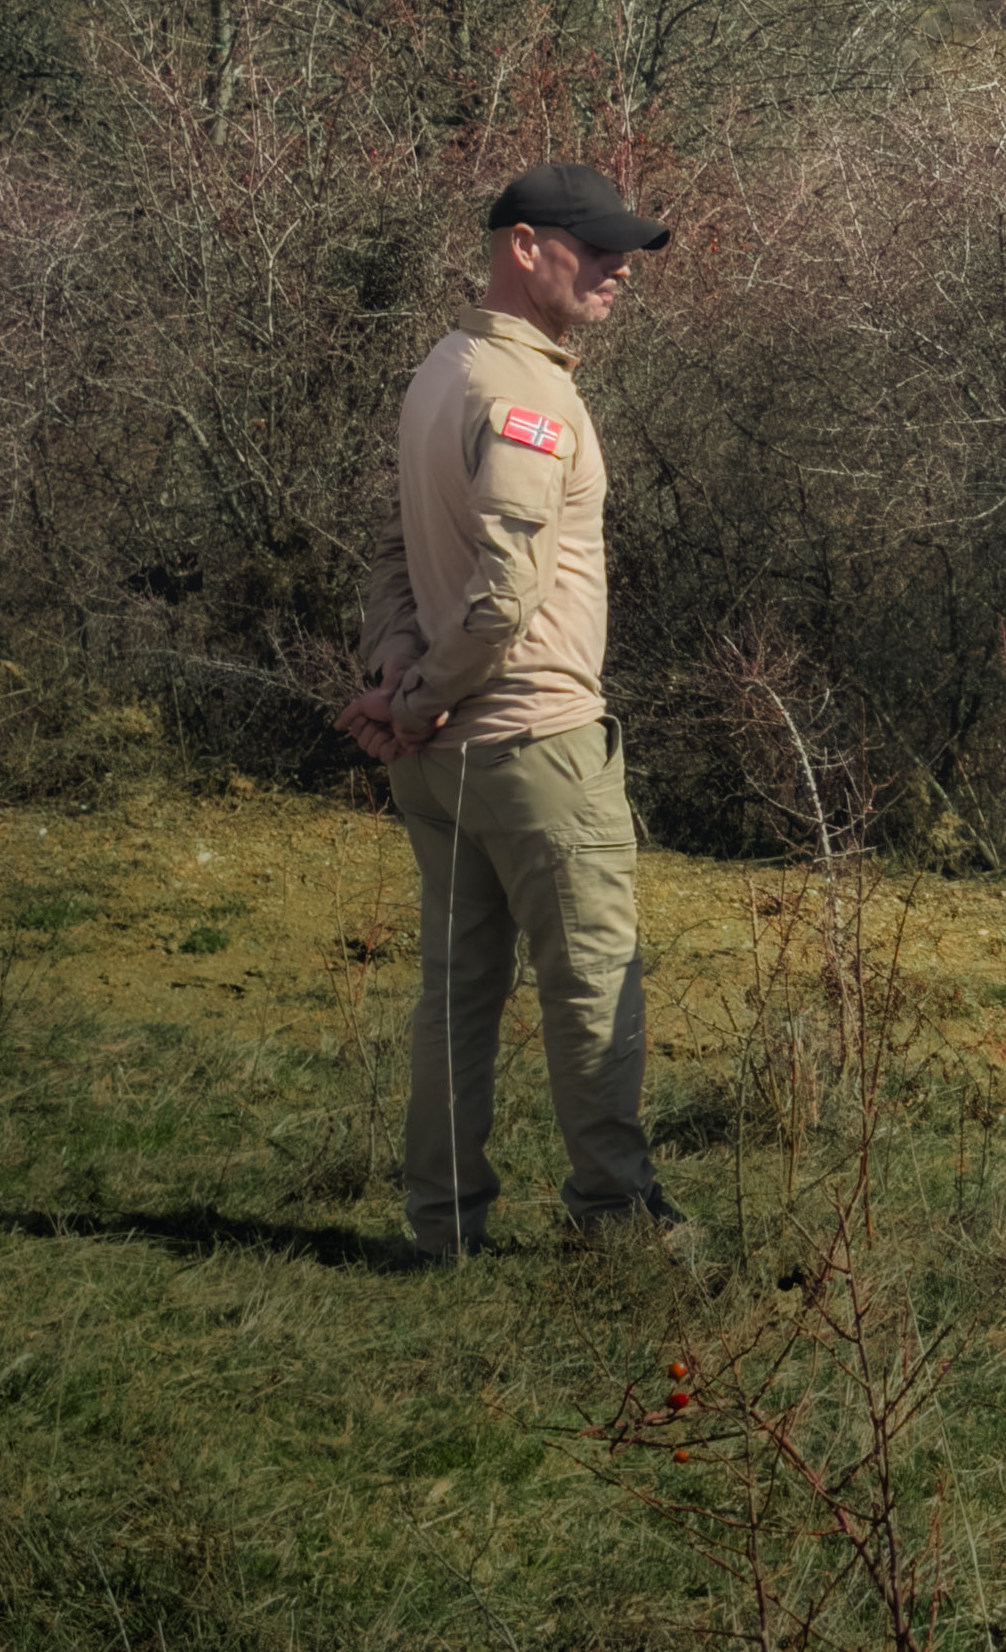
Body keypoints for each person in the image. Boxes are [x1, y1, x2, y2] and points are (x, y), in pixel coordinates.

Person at [337, 161, 685, 1267]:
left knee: (455, 997)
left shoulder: (442, 370)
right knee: (590, 984)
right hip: (531, 744)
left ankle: (442, 1230)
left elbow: (395, 554)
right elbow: (504, 593)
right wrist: (424, 697)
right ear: (524, 245)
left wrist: (398, 683)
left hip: (443, 760)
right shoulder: (525, 397)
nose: (619, 265)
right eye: (595, 245)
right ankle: (617, 1219)